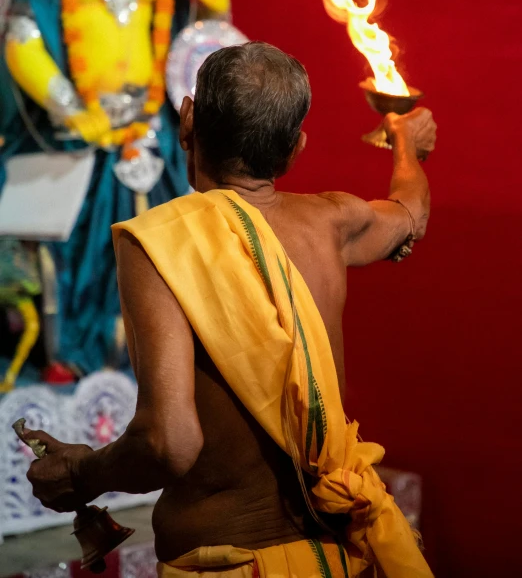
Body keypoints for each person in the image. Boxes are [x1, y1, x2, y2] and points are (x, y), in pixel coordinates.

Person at [24, 42, 437, 577]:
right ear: (295, 150)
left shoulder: (158, 243)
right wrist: (407, 145)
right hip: (332, 561)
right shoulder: (333, 223)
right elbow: (410, 212)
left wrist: (82, 473)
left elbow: (169, 443)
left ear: (187, 120)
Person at [0, 0, 230, 379]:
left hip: (151, 137)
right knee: (80, 259)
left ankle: (155, 374)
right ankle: (74, 367)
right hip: (78, 137)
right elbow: (22, 36)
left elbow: (185, 47)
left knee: (164, 256)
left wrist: (213, 6)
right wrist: (71, 107)